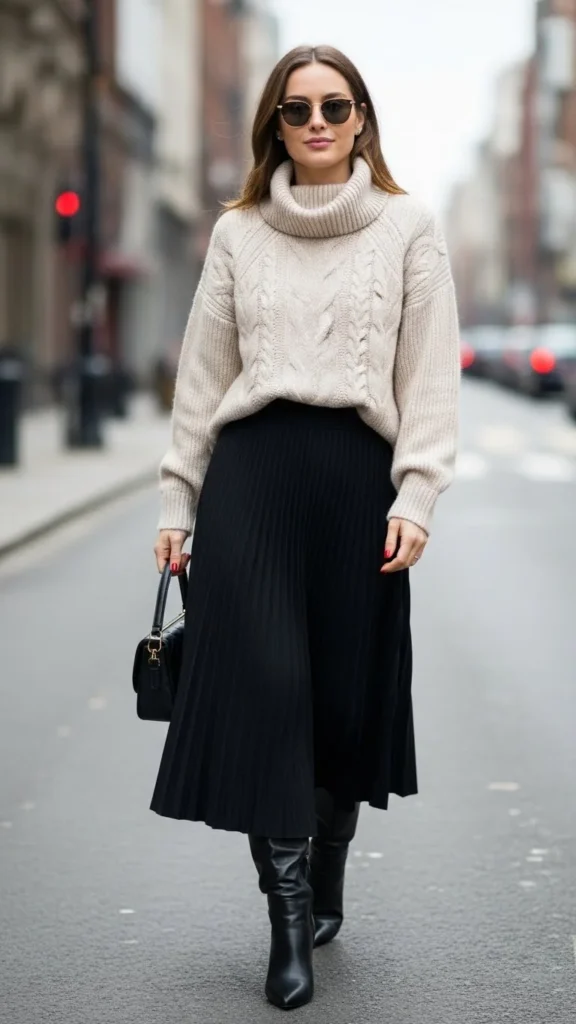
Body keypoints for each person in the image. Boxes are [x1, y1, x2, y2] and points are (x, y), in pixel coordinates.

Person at [151, 44, 460, 1011]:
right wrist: (178, 499)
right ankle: (286, 924)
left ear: (361, 117)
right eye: (296, 110)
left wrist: (415, 495)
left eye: (333, 105)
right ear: (274, 126)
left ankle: (327, 867)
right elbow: (203, 375)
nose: (316, 122)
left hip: (356, 484)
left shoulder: (410, 227)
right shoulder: (237, 232)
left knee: (336, 706)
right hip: (252, 482)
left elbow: (430, 376)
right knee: (272, 698)